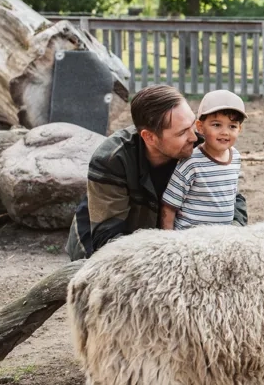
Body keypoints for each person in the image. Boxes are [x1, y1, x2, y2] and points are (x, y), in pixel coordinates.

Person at [65, 86, 248, 261]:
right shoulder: (112, 159)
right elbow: (107, 238)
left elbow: (231, 194)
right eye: (183, 132)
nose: (193, 137)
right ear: (150, 137)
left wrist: (230, 235)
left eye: (192, 125)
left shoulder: (201, 146)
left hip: (169, 243)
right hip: (104, 241)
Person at [160, 90, 245, 230]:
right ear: (200, 127)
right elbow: (169, 206)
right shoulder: (191, 162)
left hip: (222, 238)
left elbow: (231, 196)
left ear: (239, 129)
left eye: (232, 126)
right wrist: (168, 240)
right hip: (190, 240)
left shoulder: (235, 157)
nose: (225, 132)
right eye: (217, 125)